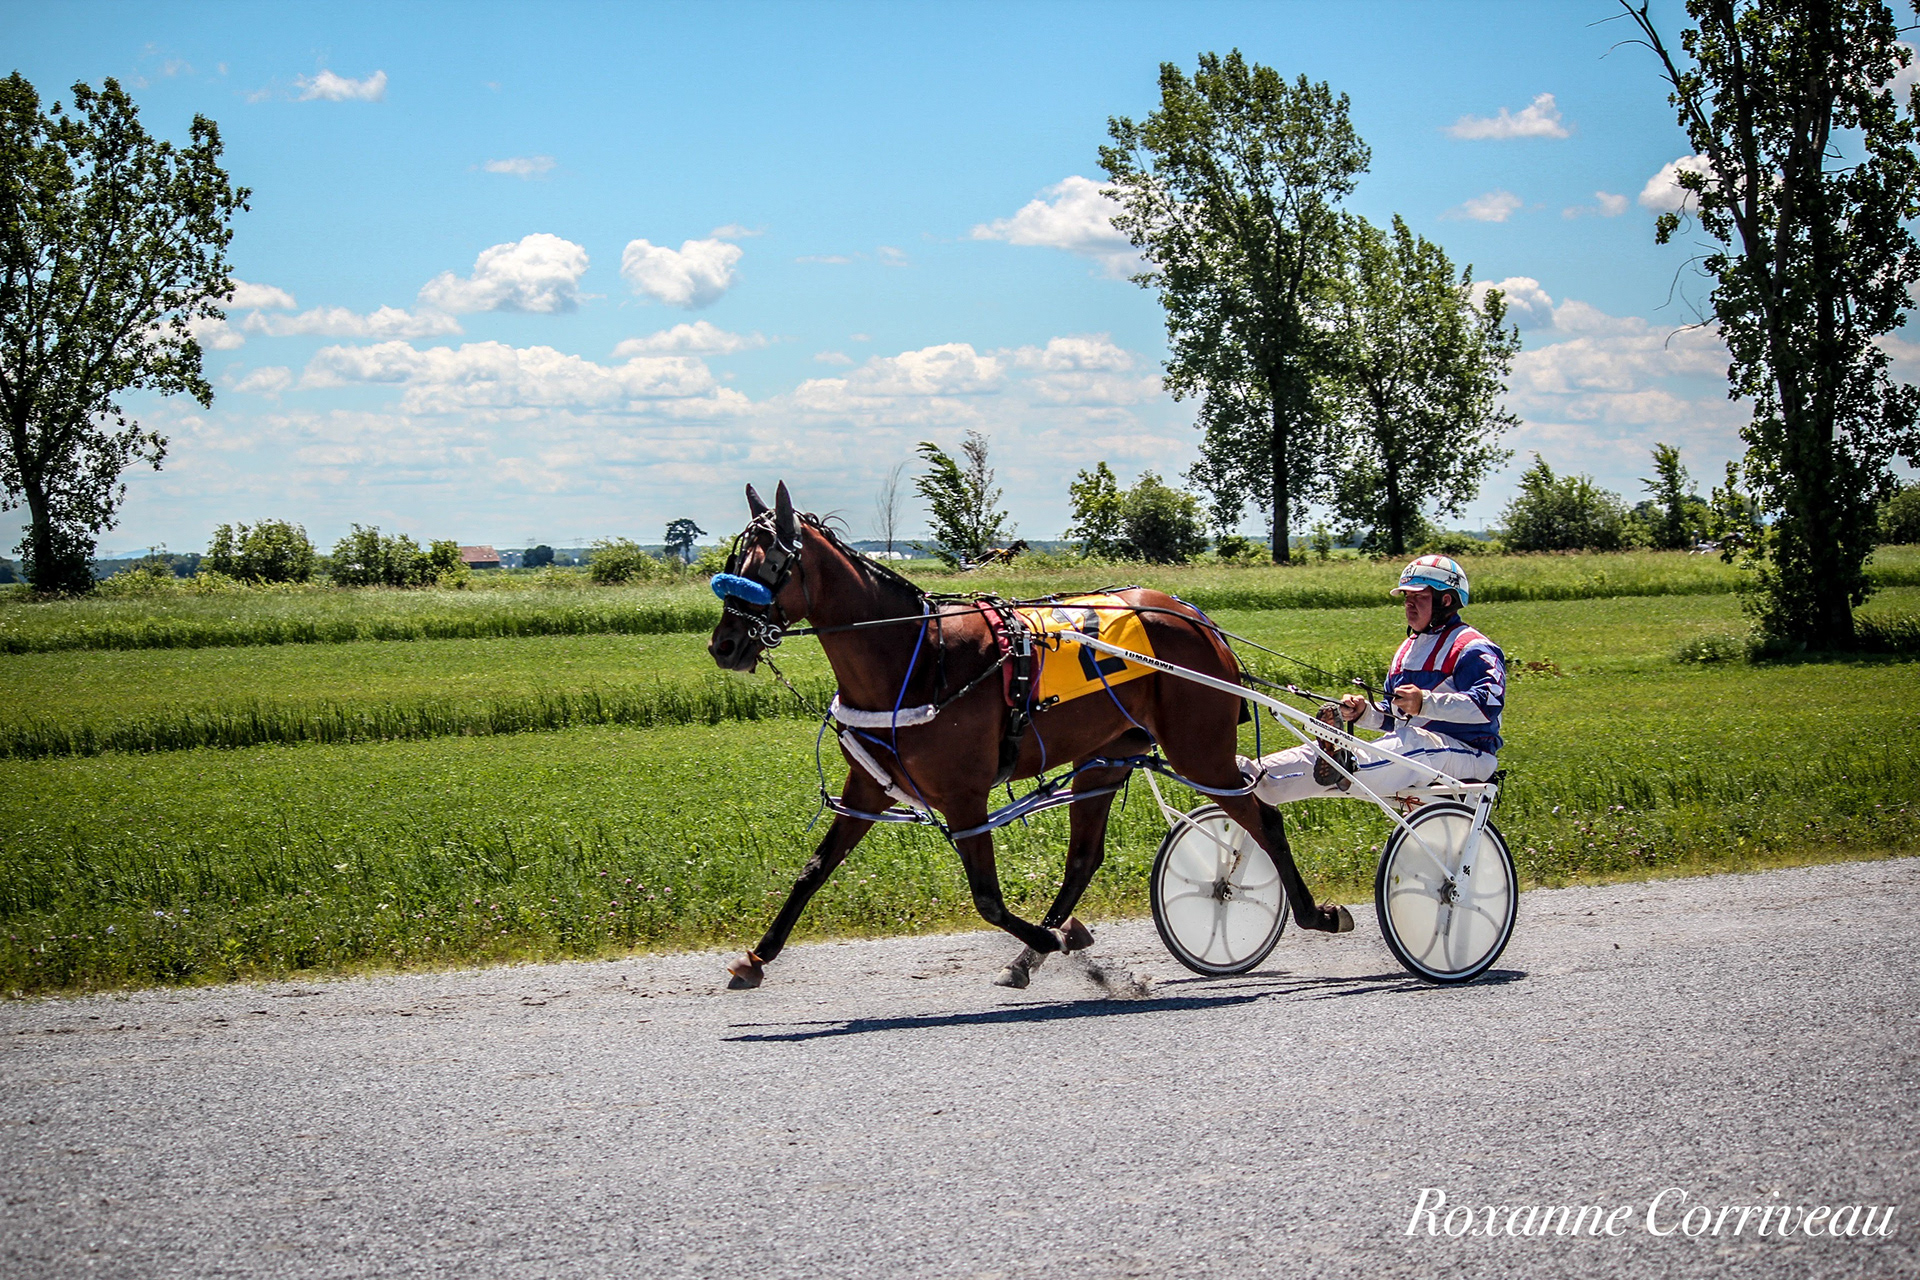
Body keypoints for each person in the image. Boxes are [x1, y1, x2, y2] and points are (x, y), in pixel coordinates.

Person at [1241, 555, 1506, 805]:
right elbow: (1394, 717)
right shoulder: (1407, 651)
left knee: (1414, 743)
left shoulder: (1473, 647)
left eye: (1419, 597)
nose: (1409, 604)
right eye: (1406, 597)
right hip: (1416, 751)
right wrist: (1364, 713)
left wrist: (1425, 703)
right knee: (1349, 749)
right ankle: (1254, 777)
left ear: (1446, 600)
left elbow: (1487, 706)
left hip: (1470, 754)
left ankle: (1344, 763)